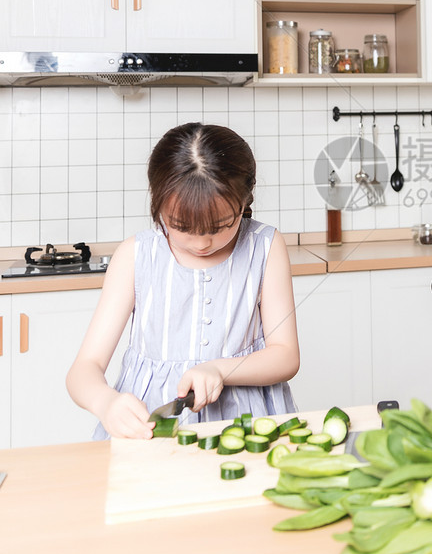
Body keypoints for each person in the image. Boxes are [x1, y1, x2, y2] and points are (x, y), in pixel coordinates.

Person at [67, 122, 301, 439]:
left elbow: (286, 354)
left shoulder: (265, 245)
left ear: (245, 200)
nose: (202, 243)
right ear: (157, 203)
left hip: (244, 423)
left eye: (220, 226)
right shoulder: (136, 255)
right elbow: (84, 368)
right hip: (149, 427)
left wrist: (219, 369)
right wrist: (105, 402)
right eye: (181, 226)